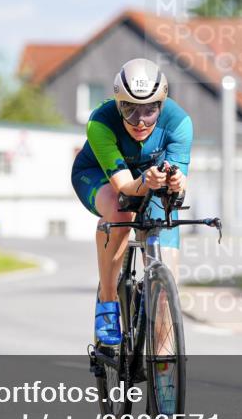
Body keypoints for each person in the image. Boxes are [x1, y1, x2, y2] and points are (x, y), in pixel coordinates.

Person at [70, 58, 193, 359]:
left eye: (150, 110)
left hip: (151, 181)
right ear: (117, 103)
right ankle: (108, 302)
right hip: (100, 176)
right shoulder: (100, 122)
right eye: (129, 109)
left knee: (168, 282)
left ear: (162, 105)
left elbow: (180, 181)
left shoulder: (179, 122)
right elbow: (125, 188)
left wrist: (176, 182)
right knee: (119, 211)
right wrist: (146, 182)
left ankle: (163, 376)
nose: (140, 121)